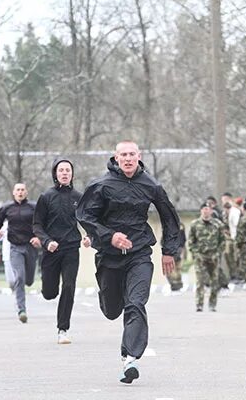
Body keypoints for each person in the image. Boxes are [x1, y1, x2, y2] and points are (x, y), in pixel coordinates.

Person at [76, 140, 181, 384]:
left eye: (132, 154)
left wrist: (169, 250)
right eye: (123, 155)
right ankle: (110, 301)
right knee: (112, 310)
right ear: (116, 157)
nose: (128, 159)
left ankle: (130, 357)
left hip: (139, 253)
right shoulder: (101, 185)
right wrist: (109, 236)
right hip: (109, 256)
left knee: (136, 303)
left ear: (139, 156)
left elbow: (169, 217)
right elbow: (84, 215)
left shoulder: (151, 185)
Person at [33, 158, 91, 344]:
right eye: (61, 170)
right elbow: (37, 225)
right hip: (51, 250)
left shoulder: (79, 197)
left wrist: (90, 235)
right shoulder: (46, 197)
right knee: (50, 293)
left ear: (72, 174)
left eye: (68, 170)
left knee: (69, 285)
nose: (65, 173)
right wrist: (46, 241)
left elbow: (88, 220)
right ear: (55, 174)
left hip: (71, 249)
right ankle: (48, 289)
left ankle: (63, 329)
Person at [0, 183, 41, 323]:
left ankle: (26, 286)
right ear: (13, 192)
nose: (20, 192)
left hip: (30, 246)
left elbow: (42, 223)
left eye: (23, 190)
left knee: (29, 280)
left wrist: (39, 237)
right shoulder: (7, 208)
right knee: (19, 276)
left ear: (26, 192)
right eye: (18, 190)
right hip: (15, 247)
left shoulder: (34, 207)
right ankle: (21, 309)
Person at [189, 203, 225, 312]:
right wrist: (196, 254)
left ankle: (212, 304)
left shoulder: (218, 224)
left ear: (211, 211)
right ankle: (199, 304)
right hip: (200, 256)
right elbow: (191, 242)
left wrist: (218, 253)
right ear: (201, 211)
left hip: (213, 256)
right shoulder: (195, 224)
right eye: (204, 209)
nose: (206, 211)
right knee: (200, 281)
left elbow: (222, 241)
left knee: (214, 281)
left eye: (208, 209)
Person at [165, 222, 186, 291]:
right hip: (175, 250)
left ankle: (176, 284)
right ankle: (176, 284)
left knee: (173, 268)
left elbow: (183, 241)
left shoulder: (169, 228)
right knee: (176, 268)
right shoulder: (180, 227)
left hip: (174, 250)